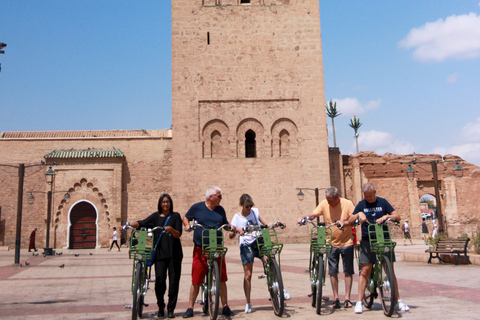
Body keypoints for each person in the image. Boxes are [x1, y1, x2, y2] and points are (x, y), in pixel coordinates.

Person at [350, 183, 409, 314]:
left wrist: (386, 216)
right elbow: (349, 220)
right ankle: (359, 302)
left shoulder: (383, 203)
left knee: (390, 271)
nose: (369, 198)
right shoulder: (361, 205)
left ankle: (398, 300)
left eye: (370, 196)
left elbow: (397, 216)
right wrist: (359, 214)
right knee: (365, 271)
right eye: (366, 196)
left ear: (375, 192)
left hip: (384, 239)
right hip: (367, 240)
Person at [229, 194, 288, 314]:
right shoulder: (236, 217)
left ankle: (279, 287)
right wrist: (236, 230)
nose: (249, 208)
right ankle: (248, 302)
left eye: (250, 206)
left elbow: (266, 223)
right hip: (246, 244)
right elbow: (230, 235)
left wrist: (277, 223)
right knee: (248, 275)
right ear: (241, 205)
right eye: (246, 206)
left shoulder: (255, 212)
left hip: (259, 240)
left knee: (270, 259)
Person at [297, 186, 355, 309]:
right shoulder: (324, 204)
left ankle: (348, 298)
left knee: (348, 271)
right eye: (327, 200)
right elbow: (313, 214)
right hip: (331, 242)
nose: (328, 202)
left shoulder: (347, 204)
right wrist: (304, 218)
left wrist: (345, 222)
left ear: (337, 198)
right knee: (333, 271)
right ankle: (336, 298)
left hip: (347, 242)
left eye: (330, 200)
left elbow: (354, 217)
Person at [182, 186, 234, 318]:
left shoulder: (220, 210)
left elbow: (225, 223)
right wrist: (187, 225)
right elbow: (185, 217)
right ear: (211, 197)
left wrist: (231, 227)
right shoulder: (197, 207)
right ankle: (190, 307)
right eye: (219, 196)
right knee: (196, 279)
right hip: (201, 248)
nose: (221, 198)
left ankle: (225, 305)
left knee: (222, 278)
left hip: (216, 247)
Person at [130, 193, 183, 318]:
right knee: (159, 281)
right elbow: (142, 223)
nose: (165, 204)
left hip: (174, 254)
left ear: (171, 203)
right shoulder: (155, 217)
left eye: (167, 201)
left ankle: (171, 309)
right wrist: (127, 225)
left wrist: (171, 229)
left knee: (174, 282)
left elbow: (178, 234)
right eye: (163, 202)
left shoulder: (176, 216)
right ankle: (160, 306)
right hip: (160, 254)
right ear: (160, 203)